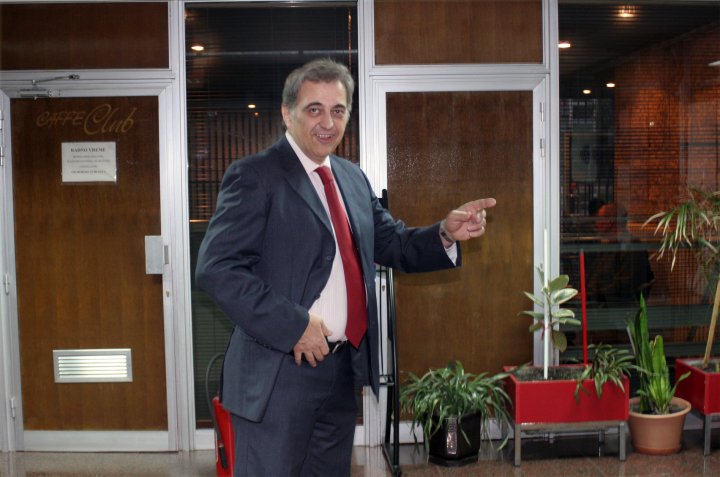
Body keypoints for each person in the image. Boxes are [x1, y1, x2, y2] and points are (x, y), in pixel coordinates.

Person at [195, 58, 496, 477]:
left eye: (338, 110)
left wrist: (444, 233)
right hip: (277, 377)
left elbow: (390, 242)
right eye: (314, 109)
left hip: (339, 372)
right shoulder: (255, 176)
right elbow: (217, 269)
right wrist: (294, 325)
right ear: (287, 114)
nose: (327, 122)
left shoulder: (351, 178)